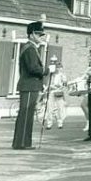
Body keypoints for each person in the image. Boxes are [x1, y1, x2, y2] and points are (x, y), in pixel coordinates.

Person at [12, 20, 50, 150]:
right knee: (26, 114)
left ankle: (22, 142)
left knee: (26, 114)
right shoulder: (30, 49)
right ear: (32, 34)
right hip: (29, 86)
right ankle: (22, 143)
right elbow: (33, 68)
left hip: (30, 86)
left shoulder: (31, 48)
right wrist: (47, 70)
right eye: (39, 35)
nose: (41, 37)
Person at [45, 59, 68, 130]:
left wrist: (62, 85)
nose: (58, 69)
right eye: (57, 67)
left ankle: (60, 122)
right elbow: (49, 84)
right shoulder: (52, 75)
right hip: (52, 92)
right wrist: (49, 87)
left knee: (59, 108)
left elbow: (65, 84)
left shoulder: (62, 76)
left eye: (60, 67)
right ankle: (49, 123)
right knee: (50, 108)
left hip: (59, 92)